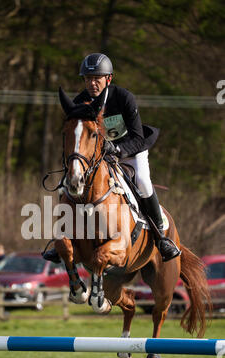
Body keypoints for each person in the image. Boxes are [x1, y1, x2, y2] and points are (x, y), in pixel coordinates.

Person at [43, 53, 181, 263]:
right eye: (88, 78)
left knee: (143, 182)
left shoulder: (124, 98)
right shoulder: (81, 102)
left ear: (109, 78)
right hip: (99, 159)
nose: (92, 83)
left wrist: (116, 149)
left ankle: (161, 236)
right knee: (66, 185)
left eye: (97, 78)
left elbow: (137, 137)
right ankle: (62, 238)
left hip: (130, 152)